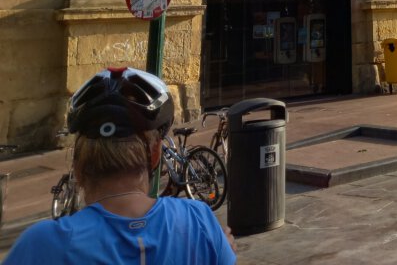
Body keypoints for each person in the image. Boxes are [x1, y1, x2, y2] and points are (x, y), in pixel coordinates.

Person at [4, 67, 236, 264]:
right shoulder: (198, 222)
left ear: (77, 164)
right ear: (155, 155)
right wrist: (219, 248)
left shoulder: (42, 246)